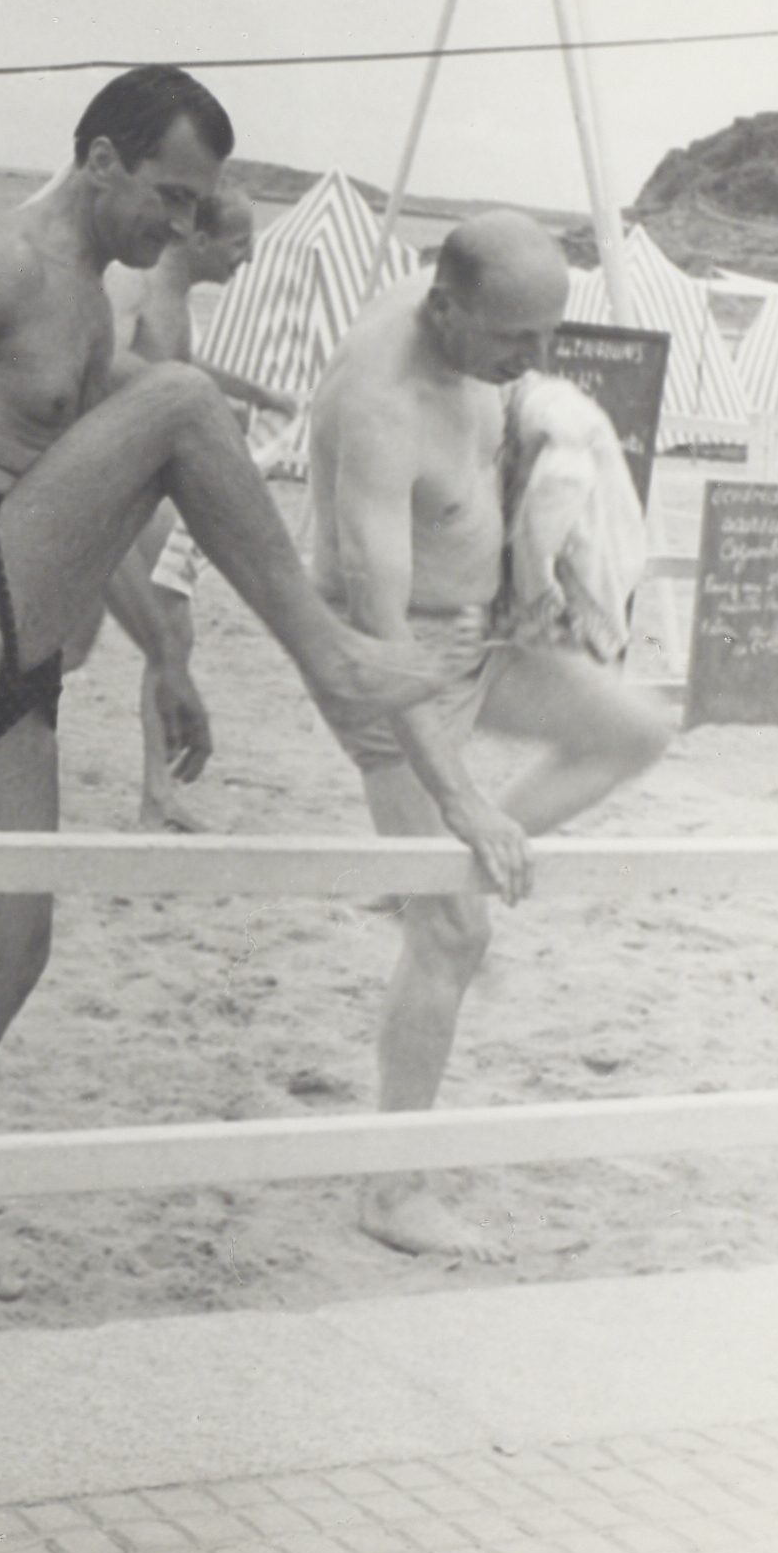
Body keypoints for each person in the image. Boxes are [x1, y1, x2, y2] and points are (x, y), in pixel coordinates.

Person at [0, 65, 448, 1299]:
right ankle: (333, 667)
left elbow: (86, 485)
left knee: (7, 951)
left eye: (192, 205)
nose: (176, 223)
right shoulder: (7, 263)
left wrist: (161, 652)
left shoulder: (91, 304)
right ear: (98, 161)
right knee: (184, 402)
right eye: (164, 195)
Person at [306, 211, 673, 1262]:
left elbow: (509, 428)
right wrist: (460, 799)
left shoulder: (482, 351)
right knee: (455, 937)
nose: (532, 359)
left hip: (482, 629)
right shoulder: (378, 404)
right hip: (392, 663)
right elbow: (375, 637)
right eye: (513, 338)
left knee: (632, 731)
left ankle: (432, 875)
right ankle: (391, 1190)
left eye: (544, 335)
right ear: (444, 307)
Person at [85, 188, 300, 830]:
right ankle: (157, 795)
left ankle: (158, 794)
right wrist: (188, 399)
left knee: (161, 636)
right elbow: (102, 361)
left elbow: (177, 365)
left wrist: (252, 393)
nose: (250, 257)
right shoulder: (134, 282)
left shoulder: (176, 299)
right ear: (199, 240)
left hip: (150, 482)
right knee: (110, 643)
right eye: (241, 243)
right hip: (109, 479)